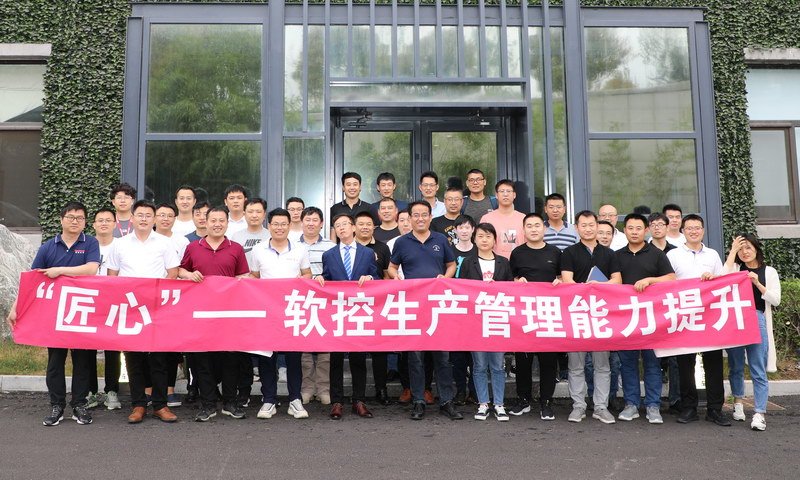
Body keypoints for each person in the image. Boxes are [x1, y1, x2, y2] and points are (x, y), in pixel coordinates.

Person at [6, 201, 100, 426]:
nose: (75, 221)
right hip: (54, 314)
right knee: (55, 361)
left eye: (80, 218)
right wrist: (16, 307)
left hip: (81, 311)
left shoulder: (90, 243)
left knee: (82, 361)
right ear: (61, 220)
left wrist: (59, 271)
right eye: (70, 217)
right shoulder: (48, 247)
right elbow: (32, 279)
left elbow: (91, 268)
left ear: (85, 222)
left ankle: (79, 405)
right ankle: (56, 405)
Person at [107, 200, 180, 424]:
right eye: (140, 215)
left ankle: (160, 405)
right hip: (130, 308)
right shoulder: (119, 244)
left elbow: (173, 273)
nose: (144, 219)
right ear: (132, 218)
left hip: (157, 308)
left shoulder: (165, 243)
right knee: (133, 358)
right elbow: (112, 276)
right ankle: (138, 404)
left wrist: (156, 295)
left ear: (154, 219)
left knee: (159, 358)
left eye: (149, 215)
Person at [388, 201, 461, 421]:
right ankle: (418, 400)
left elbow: (451, 264)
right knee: (416, 358)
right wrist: (395, 277)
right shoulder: (402, 242)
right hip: (414, 306)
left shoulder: (440, 239)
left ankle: (446, 401)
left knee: (443, 357)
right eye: (416, 215)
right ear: (410, 218)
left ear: (430, 217)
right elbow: (392, 267)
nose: (420, 218)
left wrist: (445, 278)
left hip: (438, 306)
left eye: (424, 215)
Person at [178, 206, 251, 422]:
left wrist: (241, 281)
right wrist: (189, 275)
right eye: (213, 220)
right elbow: (180, 270)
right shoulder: (193, 247)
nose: (217, 224)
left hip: (229, 313)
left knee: (230, 359)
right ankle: (208, 404)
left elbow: (243, 276)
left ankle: (229, 402)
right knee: (203, 360)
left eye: (221, 220)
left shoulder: (236, 248)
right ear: (205, 222)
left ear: (227, 223)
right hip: (201, 314)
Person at [666, 214, 730, 427]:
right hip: (684, 316)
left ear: (703, 230)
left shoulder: (712, 255)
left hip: (709, 316)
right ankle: (689, 408)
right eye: (689, 228)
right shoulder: (673, 255)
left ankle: (715, 409)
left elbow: (722, 282)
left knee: (714, 364)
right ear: (682, 231)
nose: (693, 231)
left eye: (697, 228)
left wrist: (712, 279)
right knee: (685, 365)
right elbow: (667, 283)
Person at [249, 208, 312, 420]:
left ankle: (295, 399)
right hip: (267, 311)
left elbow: (307, 274)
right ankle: (269, 399)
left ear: (289, 225)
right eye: (275, 224)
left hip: (292, 310)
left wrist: (301, 281)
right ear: (269, 226)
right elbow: (254, 276)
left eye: (283, 224)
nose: (279, 228)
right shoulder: (258, 250)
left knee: (294, 357)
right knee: (267, 357)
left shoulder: (300, 249)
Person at [317, 213, 381, 419]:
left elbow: (377, 277)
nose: (342, 228)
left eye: (345, 224)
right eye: (338, 225)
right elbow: (327, 278)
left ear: (353, 228)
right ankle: (337, 401)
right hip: (337, 312)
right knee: (335, 359)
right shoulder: (329, 255)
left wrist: (370, 278)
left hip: (358, 310)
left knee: (358, 358)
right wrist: (320, 278)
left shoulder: (367, 253)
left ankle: (359, 401)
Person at [614, 213, 675, 424]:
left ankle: (653, 406)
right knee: (628, 364)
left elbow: (671, 278)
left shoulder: (657, 254)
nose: (634, 232)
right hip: (625, 319)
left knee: (652, 363)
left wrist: (650, 280)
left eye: (638, 228)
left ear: (646, 230)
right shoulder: (617, 255)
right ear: (624, 231)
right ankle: (631, 404)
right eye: (630, 228)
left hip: (652, 319)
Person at [457, 223, 513, 421]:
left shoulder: (503, 262)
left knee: (497, 365)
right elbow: (461, 288)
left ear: (494, 240)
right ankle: (482, 403)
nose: (484, 240)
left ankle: (499, 403)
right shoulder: (468, 262)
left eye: (488, 236)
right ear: (475, 239)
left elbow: (511, 290)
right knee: (479, 365)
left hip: (497, 319)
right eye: (480, 236)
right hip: (476, 321)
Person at [723, 234, 779, 431]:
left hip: (757, 319)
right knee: (736, 366)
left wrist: (757, 283)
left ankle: (759, 413)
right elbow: (722, 279)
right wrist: (732, 252)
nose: (744, 252)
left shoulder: (768, 271)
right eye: (740, 249)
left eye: (748, 247)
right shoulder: (735, 269)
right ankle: (738, 403)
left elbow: (775, 299)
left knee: (757, 368)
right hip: (736, 322)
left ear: (756, 248)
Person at [508, 212, 561, 420]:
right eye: (529, 226)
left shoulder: (555, 252)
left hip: (549, 313)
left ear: (544, 228)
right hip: (525, 314)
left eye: (537, 225)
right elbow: (510, 280)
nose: (533, 229)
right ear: (523, 230)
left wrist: (559, 283)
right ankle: (523, 400)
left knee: (548, 361)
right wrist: (516, 282)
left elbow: (562, 277)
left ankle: (546, 402)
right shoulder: (517, 253)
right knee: (523, 361)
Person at [353, 210, 393, 404]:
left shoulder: (382, 248)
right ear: (354, 227)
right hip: (353, 305)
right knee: (357, 350)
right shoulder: (347, 247)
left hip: (377, 304)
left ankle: (381, 389)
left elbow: (387, 275)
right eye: (361, 224)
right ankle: (358, 393)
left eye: (368, 224)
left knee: (380, 350)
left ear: (374, 227)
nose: (365, 227)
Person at [298, 206, 336, 405]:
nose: (311, 223)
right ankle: (307, 388)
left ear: (321, 224)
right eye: (307, 220)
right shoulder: (293, 245)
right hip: (300, 301)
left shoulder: (331, 246)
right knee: (304, 348)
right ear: (301, 222)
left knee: (324, 347)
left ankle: (323, 389)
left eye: (315, 220)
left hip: (325, 301)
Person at [154, 202, 190, 407]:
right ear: (154, 218)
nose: (165, 219)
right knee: (146, 346)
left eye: (169, 215)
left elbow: (183, 268)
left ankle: (169, 390)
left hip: (173, 299)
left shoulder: (181, 241)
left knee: (170, 346)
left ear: (175, 219)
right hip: (146, 299)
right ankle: (147, 391)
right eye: (161, 215)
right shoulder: (145, 239)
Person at [88, 208, 122, 410]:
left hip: (113, 302)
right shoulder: (86, 245)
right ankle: (90, 391)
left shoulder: (121, 246)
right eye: (100, 220)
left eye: (108, 220)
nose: (103, 223)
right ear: (93, 224)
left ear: (115, 224)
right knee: (87, 349)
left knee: (112, 348)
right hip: (89, 302)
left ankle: (112, 391)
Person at [479, 179, 525, 258]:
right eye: (502, 191)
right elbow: (481, 244)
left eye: (508, 191)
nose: (505, 194)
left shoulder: (523, 218)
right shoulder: (487, 219)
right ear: (496, 195)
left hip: (520, 261)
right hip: (494, 263)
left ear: (514, 195)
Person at [329, 172, 372, 240]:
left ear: (360, 187)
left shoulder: (369, 208)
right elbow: (333, 231)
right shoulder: (335, 209)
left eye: (355, 184)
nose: (352, 187)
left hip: (365, 246)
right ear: (343, 188)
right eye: (348, 184)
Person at [230, 198, 270, 269]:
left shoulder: (271, 236)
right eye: (250, 212)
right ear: (244, 214)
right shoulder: (236, 237)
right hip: (243, 275)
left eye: (258, 212)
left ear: (264, 215)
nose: (254, 215)